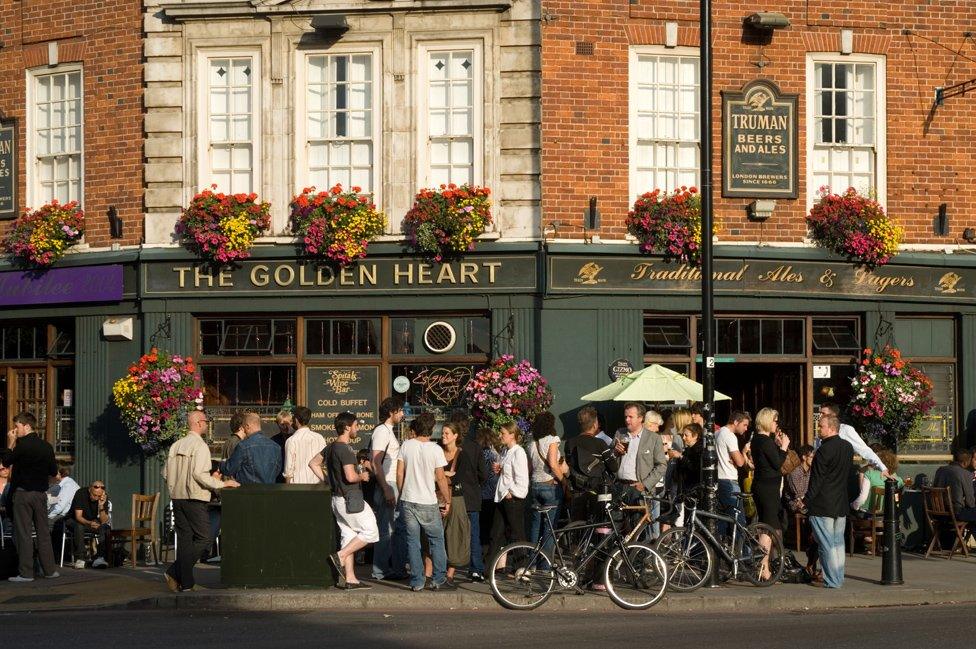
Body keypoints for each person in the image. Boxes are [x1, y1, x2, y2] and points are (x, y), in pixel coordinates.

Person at [163, 409, 240, 592]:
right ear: (198, 423)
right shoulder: (200, 446)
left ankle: (187, 584)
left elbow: (165, 473)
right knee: (205, 538)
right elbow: (199, 474)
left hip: (177, 498)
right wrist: (221, 484)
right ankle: (174, 571)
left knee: (185, 540)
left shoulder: (176, 445)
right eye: (205, 421)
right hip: (195, 497)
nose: (207, 424)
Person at [313, 412, 377, 590]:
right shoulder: (346, 449)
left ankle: (350, 579)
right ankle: (340, 556)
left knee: (349, 535)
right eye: (356, 425)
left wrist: (328, 480)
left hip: (337, 499)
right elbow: (350, 476)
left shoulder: (331, 447)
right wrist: (362, 476)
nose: (358, 428)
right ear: (347, 427)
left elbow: (313, 463)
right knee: (371, 531)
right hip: (351, 498)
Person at [397, 413, 453, 592]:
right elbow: (441, 478)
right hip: (428, 501)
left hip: (408, 498)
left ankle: (417, 581)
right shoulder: (435, 449)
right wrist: (447, 499)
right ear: (431, 429)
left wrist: (401, 491)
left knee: (413, 541)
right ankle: (438, 579)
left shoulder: (406, 445)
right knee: (436, 540)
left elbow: (399, 473)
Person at [4, 412, 59, 582]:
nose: (15, 430)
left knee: (24, 533)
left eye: (17, 427)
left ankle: (26, 573)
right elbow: (52, 471)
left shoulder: (21, 446)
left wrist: (11, 442)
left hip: (23, 494)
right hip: (40, 495)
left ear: (26, 426)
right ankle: (50, 570)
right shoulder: (46, 446)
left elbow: (6, 461)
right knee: (43, 533)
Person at [806, 413, 855, 589]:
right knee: (838, 543)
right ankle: (838, 578)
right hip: (840, 502)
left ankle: (832, 580)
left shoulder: (823, 450)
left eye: (821, 426)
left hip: (822, 504)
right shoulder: (848, 447)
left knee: (826, 544)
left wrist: (806, 501)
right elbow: (849, 476)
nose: (819, 429)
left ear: (832, 428)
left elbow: (816, 480)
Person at [369, 397, 407, 581]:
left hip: (390, 483)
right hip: (388, 483)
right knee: (386, 528)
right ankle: (380, 570)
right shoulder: (382, 432)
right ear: (391, 412)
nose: (402, 414)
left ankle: (386, 568)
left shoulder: (387, 431)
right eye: (399, 410)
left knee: (391, 528)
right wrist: (386, 488)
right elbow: (375, 461)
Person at [750, 407, 790, 579]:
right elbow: (777, 463)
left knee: (771, 526)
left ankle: (767, 564)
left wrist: (778, 446)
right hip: (767, 488)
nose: (777, 423)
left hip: (764, 486)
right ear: (767, 421)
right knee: (768, 528)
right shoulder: (764, 441)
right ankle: (763, 567)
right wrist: (784, 447)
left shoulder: (758, 440)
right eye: (775, 420)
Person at [450, 410, 488, 582]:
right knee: (473, 534)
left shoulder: (448, 447)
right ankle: (476, 569)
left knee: (450, 533)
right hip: (472, 494)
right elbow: (484, 475)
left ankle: (448, 567)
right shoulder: (475, 447)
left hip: (453, 495)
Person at [566, 406, 619, 522]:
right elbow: (614, 467)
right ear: (595, 424)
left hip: (577, 489)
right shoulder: (600, 443)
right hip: (597, 490)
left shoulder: (570, 443)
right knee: (600, 523)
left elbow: (568, 466)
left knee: (577, 525)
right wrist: (616, 454)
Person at [490, 421, 530, 569]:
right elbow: (509, 474)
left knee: (517, 534)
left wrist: (510, 492)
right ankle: (492, 569)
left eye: (503, 433)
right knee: (496, 533)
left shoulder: (519, 452)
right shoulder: (506, 452)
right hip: (502, 498)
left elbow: (522, 479)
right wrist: (500, 470)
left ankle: (523, 567)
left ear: (512, 435)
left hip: (512, 499)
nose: (500, 436)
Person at [438, 420, 473, 584]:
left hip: (456, 498)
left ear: (455, 436)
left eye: (447, 433)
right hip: (437, 497)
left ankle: (450, 574)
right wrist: (447, 474)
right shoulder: (437, 451)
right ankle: (435, 571)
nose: (443, 436)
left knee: (454, 535)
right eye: (442, 433)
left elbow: (460, 477)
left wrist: (442, 475)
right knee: (437, 535)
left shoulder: (462, 454)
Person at [528, 412, 564, 562]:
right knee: (549, 528)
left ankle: (531, 563)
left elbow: (529, 467)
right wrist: (564, 481)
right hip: (550, 486)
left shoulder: (531, 441)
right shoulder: (552, 440)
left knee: (535, 526)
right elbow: (553, 464)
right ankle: (546, 565)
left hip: (535, 485)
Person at [818, 403, 889, 475]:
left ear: (833, 415)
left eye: (823, 413)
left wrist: (882, 467)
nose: (820, 416)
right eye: (820, 413)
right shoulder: (821, 432)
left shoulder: (845, 430)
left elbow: (864, 450)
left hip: (839, 478)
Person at [219, 411, 282, 485]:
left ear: (247, 426)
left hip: (248, 492)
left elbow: (229, 469)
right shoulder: (276, 447)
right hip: (270, 491)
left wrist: (222, 463)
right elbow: (278, 470)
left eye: (244, 427)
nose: (244, 431)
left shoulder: (243, 446)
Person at [715, 411, 751, 535]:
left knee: (722, 520)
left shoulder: (717, 433)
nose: (746, 429)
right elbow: (740, 462)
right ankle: (744, 552)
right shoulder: (730, 436)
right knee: (739, 520)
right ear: (736, 422)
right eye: (744, 425)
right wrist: (744, 451)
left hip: (718, 479)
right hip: (729, 480)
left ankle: (723, 550)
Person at [68, 480, 112, 569]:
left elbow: (103, 521)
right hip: (74, 520)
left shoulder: (103, 497)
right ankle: (81, 558)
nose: (96, 498)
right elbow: (78, 517)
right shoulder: (81, 493)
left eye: (99, 496)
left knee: (105, 527)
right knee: (79, 526)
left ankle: (100, 558)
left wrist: (101, 506)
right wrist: (90, 523)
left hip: (92, 522)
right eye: (94, 495)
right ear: (89, 490)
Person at [283, 406, 326, 484]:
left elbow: (288, 469)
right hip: (318, 484)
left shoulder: (291, 440)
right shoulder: (319, 438)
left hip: (298, 486)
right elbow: (324, 462)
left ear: (296, 420)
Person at [852, 449, 904, 514]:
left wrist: (854, 506)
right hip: (890, 514)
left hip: (869, 513)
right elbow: (898, 501)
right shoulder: (899, 480)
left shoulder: (870, 474)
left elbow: (862, 498)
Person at [933, 448, 976, 522]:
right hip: (956, 514)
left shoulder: (940, 470)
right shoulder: (966, 474)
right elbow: (970, 502)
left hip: (937, 514)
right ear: (966, 462)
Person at [478, 426, 501, 555]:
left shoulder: (484, 453)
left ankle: (483, 553)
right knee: (491, 525)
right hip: (493, 492)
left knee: (484, 527)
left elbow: (483, 474)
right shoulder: (495, 453)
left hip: (484, 493)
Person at [785, 445, 815, 514]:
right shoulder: (795, 471)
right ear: (804, 457)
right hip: (794, 502)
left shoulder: (811, 471)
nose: (814, 459)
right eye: (812, 457)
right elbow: (798, 494)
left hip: (806, 500)